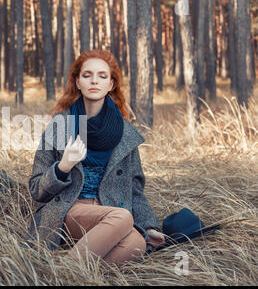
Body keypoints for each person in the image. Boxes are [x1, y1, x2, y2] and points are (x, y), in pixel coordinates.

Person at [27, 50, 165, 265]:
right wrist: (63, 167)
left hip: (110, 212)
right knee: (122, 217)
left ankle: (70, 271)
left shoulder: (125, 132)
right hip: (68, 210)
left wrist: (149, 226)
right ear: (77, 82)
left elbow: (134, 190)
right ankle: (66, 273)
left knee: (137, 243)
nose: (94, 81)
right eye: (87, 75)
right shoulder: (59, 126)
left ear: (111, 85)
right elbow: (36, 189)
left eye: (102, 76)